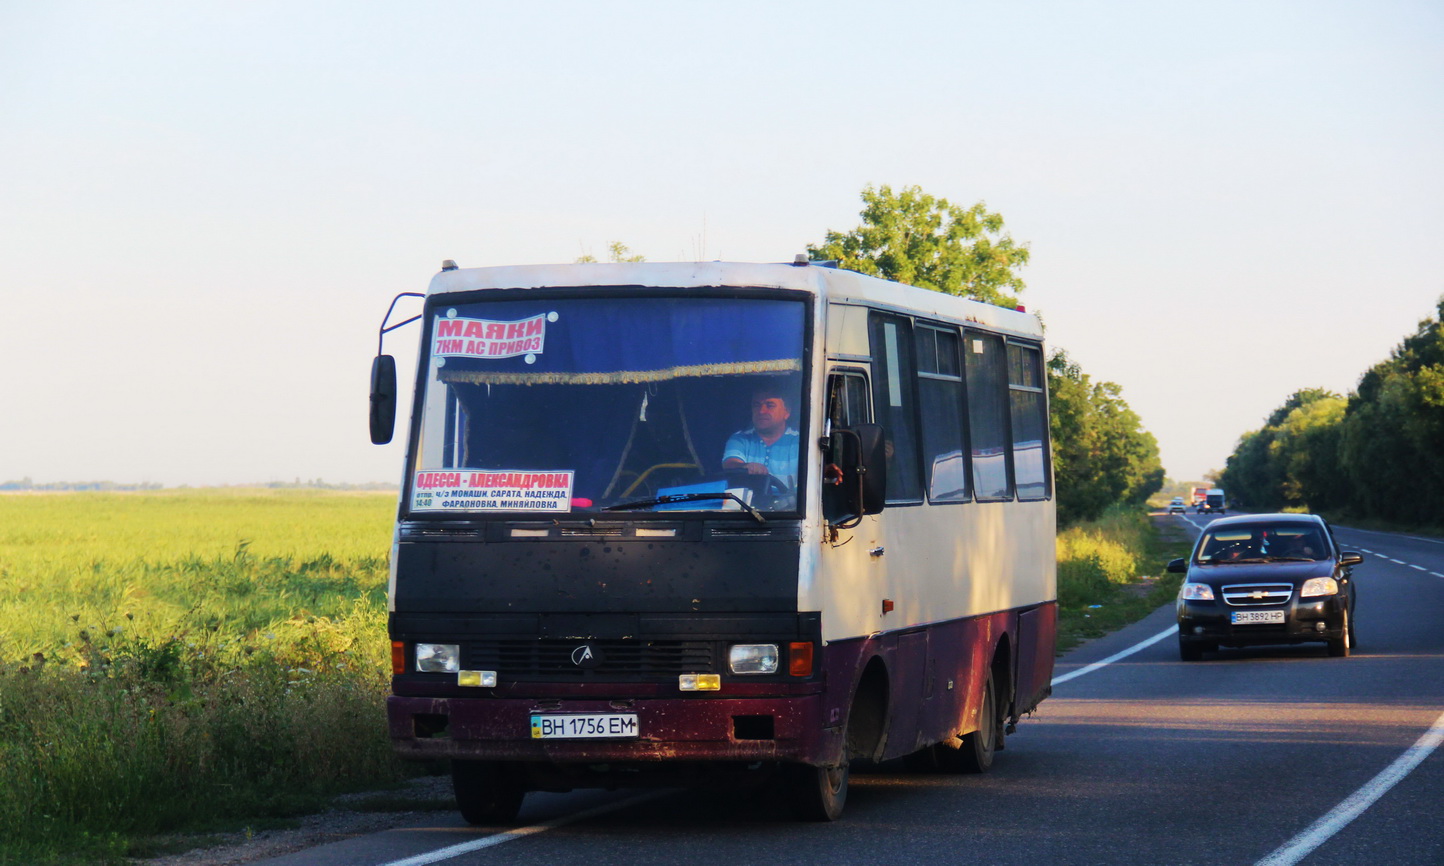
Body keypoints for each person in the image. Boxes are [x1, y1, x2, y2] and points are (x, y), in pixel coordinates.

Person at [722, 387, 800, 486]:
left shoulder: (799, 442)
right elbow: (730, 464)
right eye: (756, 405)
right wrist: (746, 466)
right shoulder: (740, 439)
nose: (761, 411)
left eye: (770, 405)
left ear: (787, 412)